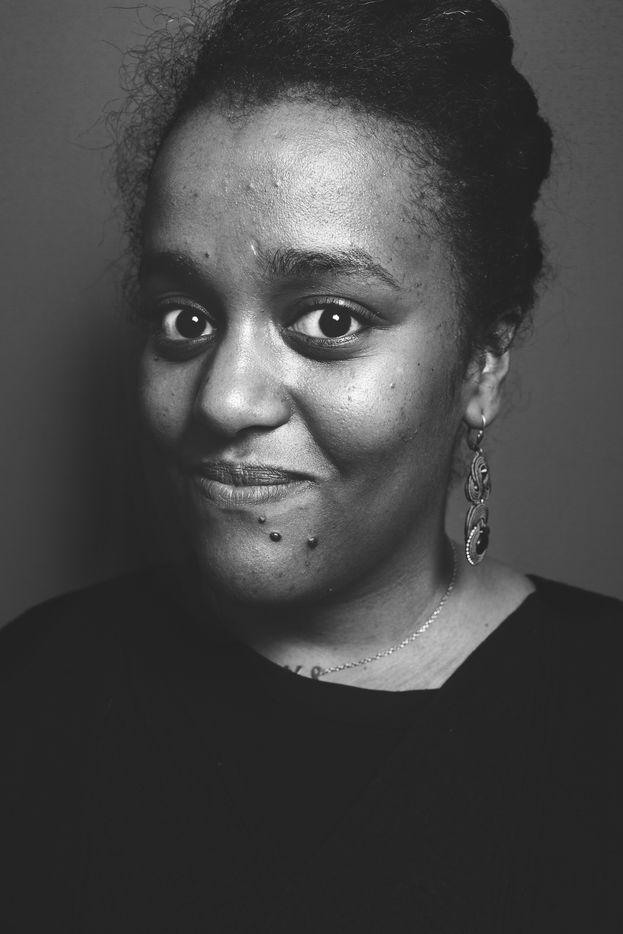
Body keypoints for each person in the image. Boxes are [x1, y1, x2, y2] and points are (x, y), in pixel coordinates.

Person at [1, 1, 621, 931]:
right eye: (185, 318)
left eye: (330, 319)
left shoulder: (600, 716)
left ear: (481, 365)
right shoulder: (35, 689)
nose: (223, 399)